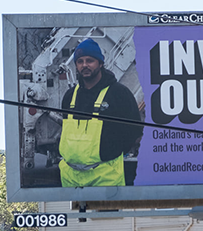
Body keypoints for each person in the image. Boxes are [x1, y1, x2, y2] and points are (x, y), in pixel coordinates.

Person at [58, 38, 143, 187]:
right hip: (71, 178)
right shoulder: (69, 96)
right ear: (76, 65)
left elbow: (134, 132)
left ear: (100, 63)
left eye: (90, 60)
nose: (85, 65)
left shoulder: (119, 93)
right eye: (80, 61)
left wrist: (113, 151)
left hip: (106, 177)